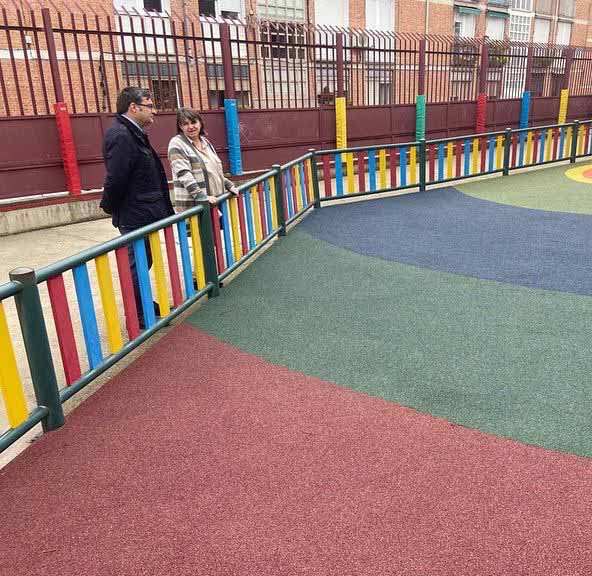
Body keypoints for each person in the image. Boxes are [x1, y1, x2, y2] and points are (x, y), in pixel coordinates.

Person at [100, 87, 174, 328]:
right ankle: (138, 314)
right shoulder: (121, 135)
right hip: (134, 213)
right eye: (149, 105)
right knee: (136, 262)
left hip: (144, 211)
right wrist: (111, 207)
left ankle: (144, 305)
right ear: (133, 107)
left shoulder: (133, 132)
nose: (154, 110)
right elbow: (116, 178)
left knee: (144, 260)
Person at [167, 107, 239, 215]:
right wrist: (200, 196)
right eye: (185, 124)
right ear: (180, 126)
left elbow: (213, 171)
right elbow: (183, 174)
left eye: (193, 122)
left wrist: (228, 185)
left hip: (214, 203)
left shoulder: (205, 142)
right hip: (195, 207)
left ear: (200, 123)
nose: (190, 127)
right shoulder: (177, 143)